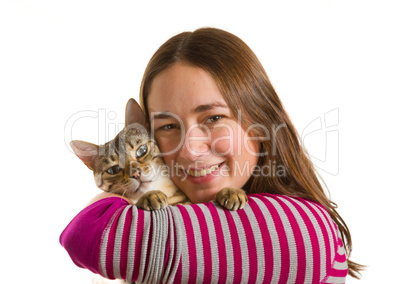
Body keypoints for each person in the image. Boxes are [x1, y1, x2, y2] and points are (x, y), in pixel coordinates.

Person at [60, 28, 363, 283]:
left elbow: (86, 232)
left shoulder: (300, 229)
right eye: (167, 126)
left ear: (260, 122)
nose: (190, 149)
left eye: (214, 118)